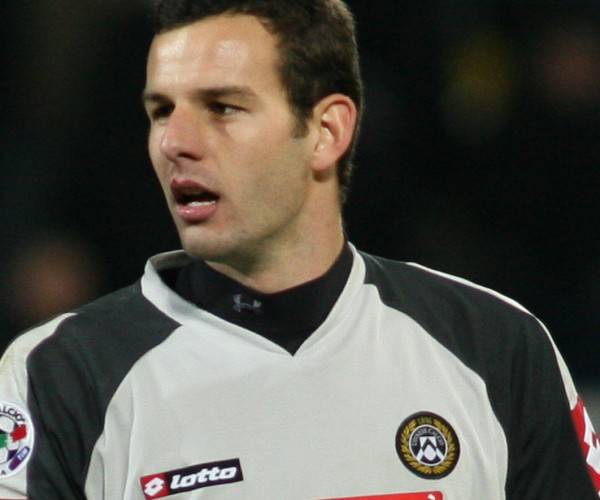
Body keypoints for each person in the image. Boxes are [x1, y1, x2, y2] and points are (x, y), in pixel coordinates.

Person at [0, 0, 598, 498]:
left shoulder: (494, 347)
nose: (174, 142)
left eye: (222, 107)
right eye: (161, 111)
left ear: (327, 131)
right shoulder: (58, 376)